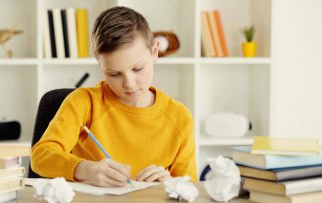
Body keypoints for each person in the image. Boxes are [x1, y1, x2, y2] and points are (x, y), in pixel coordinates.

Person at [31, 6, 197, 187]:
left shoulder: (180, 118)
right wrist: (86, 170)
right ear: (100, 65)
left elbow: (191, 187)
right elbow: (41, 157)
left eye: (137, 69)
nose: (129, 83)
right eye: (114, 74)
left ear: (155, 51)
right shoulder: (83, 103)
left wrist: (171, 183)